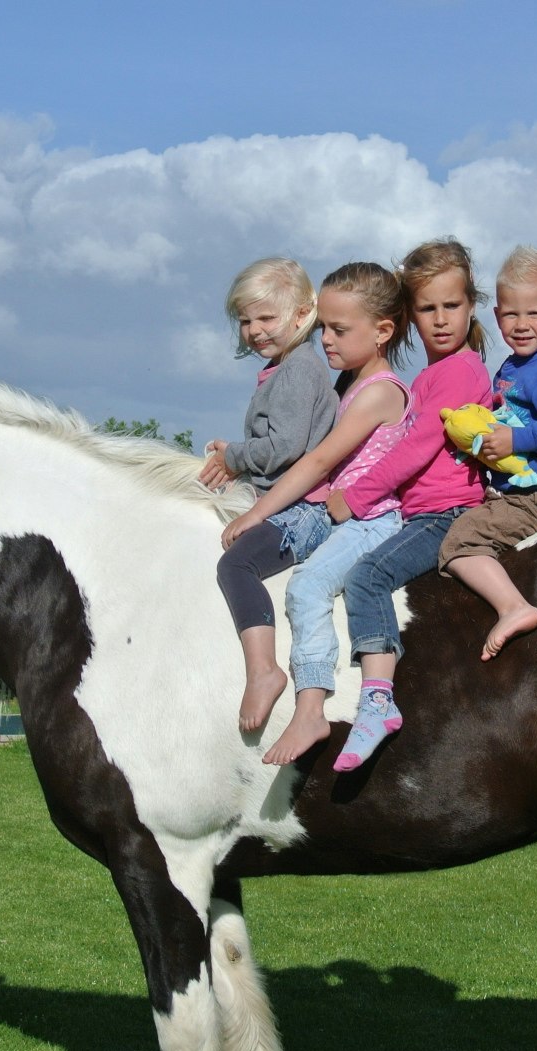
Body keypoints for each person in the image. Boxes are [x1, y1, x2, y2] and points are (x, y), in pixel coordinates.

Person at [218, 261, 411, 764]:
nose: (324, 339)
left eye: (337, 329)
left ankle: (307, 704)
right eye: (323, 326)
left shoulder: (379, 391)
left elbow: (316, 458)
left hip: (364, 517)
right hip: (341, 509)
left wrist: (257, 511)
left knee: (303, 585)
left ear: (383, 331)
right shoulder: (348, 384)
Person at [330, 238, 494, 772]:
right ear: (411, 315)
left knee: (366, 577)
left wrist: (355, 497)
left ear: (471, 305)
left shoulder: (462, 371)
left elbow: (418, 446)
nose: (441, 320)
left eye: (452, 306)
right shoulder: (430, 375)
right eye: (428, 308)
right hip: (418, 510)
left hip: (443, 513)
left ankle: (377, 700)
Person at [438, 246, 537, 660]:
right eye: (511, 315)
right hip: (515, 492)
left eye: (534, 314)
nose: (522, 325)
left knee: (460, 542)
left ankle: (513, 607)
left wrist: (519, 440)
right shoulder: (513, 367)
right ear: (497, 318)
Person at [205, 257, 340, 730]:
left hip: (303, 510)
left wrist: (235, 455)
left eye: (266, 318)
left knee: (236, 563)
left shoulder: (299, 369)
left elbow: (286, 448)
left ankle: (263, 671)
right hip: (287, 500)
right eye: (245, 320)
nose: (254, 330)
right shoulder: (283, 367)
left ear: (303, 315)